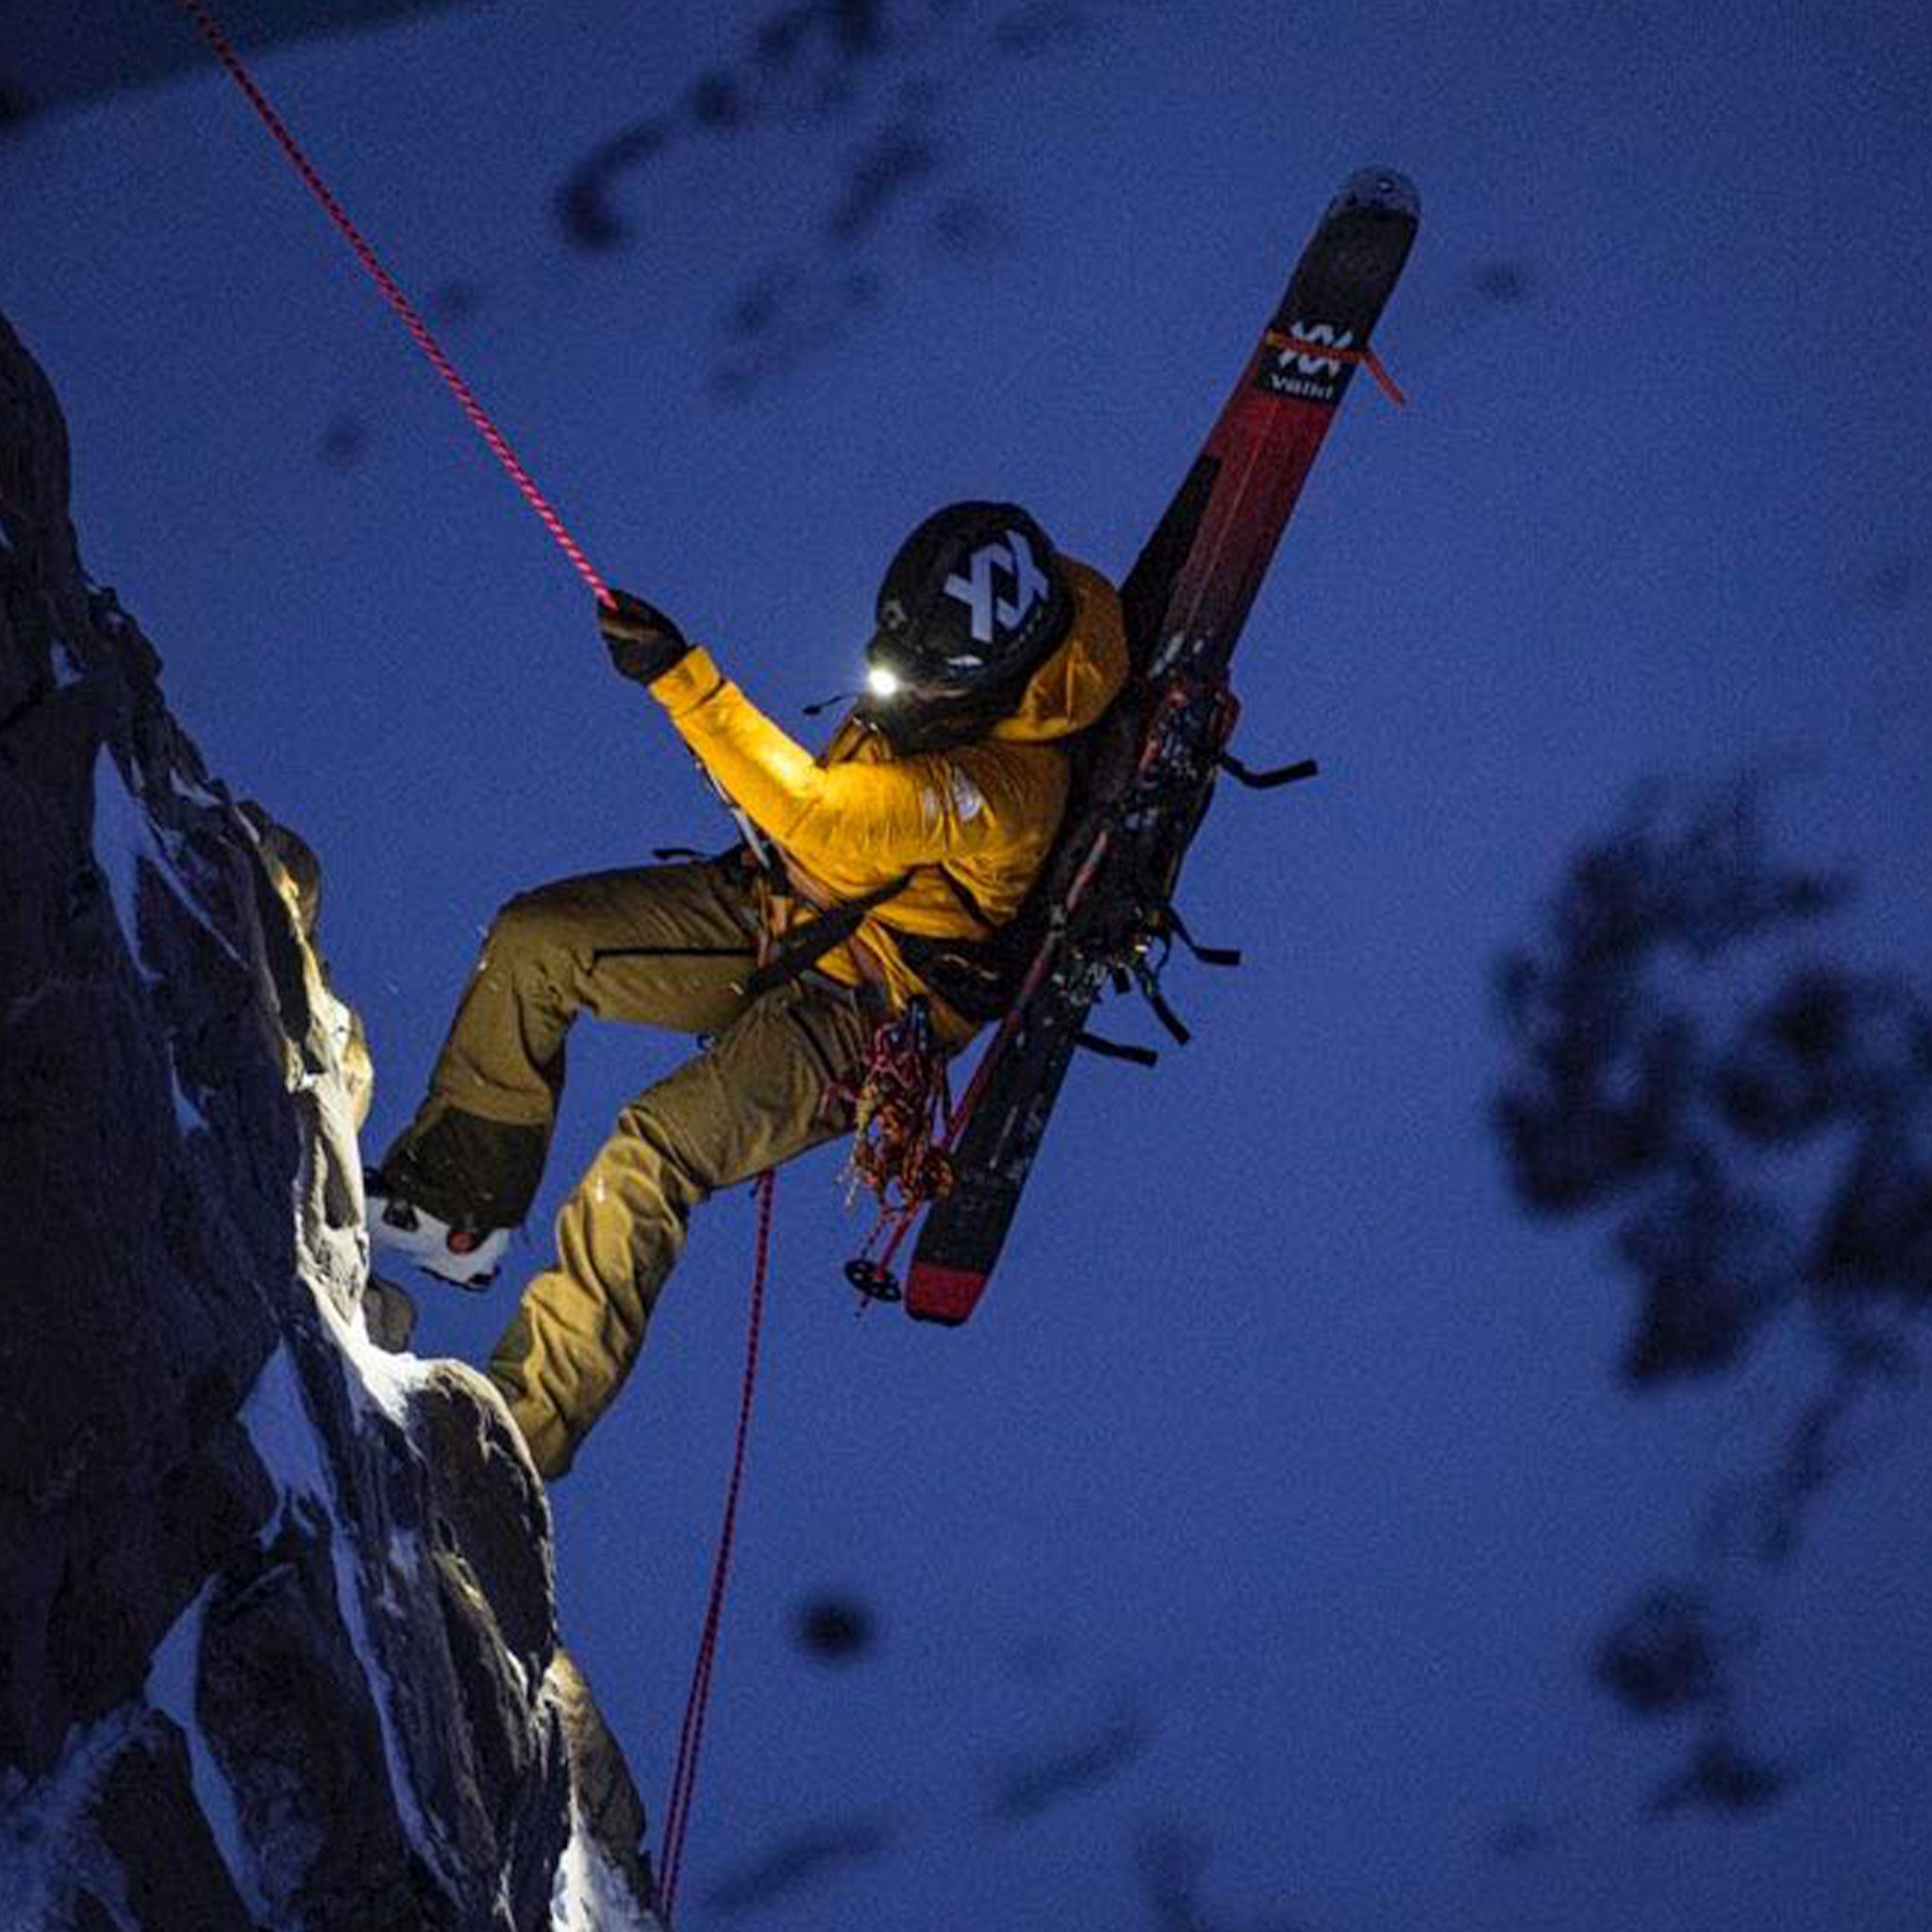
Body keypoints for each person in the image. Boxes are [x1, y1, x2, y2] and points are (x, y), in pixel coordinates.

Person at [367, 502, 1128, 1478]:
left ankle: (511, 1441)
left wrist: (684, 682)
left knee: (652, 1152)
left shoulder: (1005, 788)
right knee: (537, 943)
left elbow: (820, 820)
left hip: (861, 1011)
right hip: (786, 913)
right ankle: (448, 1210)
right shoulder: (997, 644)